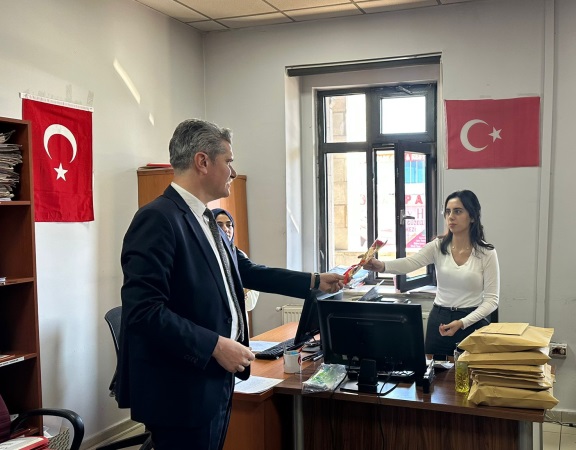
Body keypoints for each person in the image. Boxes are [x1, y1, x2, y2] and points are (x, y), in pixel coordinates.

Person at [117, 118, 344, 450]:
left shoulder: (207, 219)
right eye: (228, 161)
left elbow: (248, 271)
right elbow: (144, 311)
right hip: (181, 388)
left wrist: (314, 281)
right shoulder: (158, 219)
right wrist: (215, 345)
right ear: (203, 161)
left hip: (215, 379)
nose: (233, 172)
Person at [363, 189, 499, 357]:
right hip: (439, 320)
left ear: (472, 217)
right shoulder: (438, 246)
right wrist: (382, 266)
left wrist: (462, 322)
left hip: (472, 320)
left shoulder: (486, 252)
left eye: (458, 211)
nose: (451, 217)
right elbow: (410, 262)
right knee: (434, 370)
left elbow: (492, 300)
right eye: (448, 212)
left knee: (469, 372)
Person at [212, 208, 259, 312]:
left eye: (229, 225)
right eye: (219, 225)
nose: (225, 229)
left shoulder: (238, 255)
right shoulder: (206, 255)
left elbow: (250, 304)